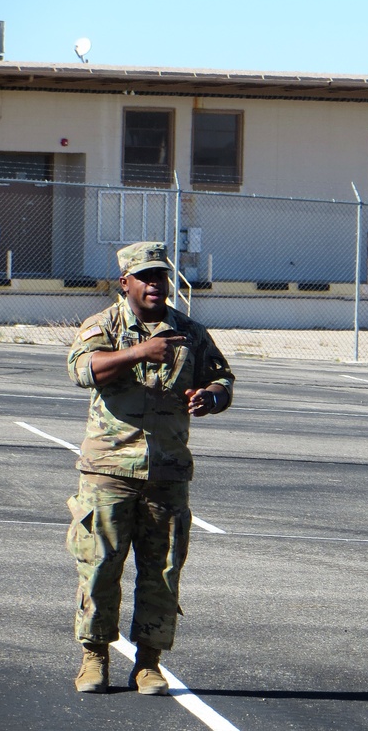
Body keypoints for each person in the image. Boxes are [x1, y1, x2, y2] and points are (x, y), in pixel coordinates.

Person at [66, 241, 235, 695]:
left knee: (161, 571)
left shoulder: (190, 333)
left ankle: (148, 664)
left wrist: (212, 397)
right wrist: (139, 353)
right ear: (125, 283)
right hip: (109, 470)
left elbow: (222, 377)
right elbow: (84, 371)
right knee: (100, 566)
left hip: (167, 473)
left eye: (161, 276)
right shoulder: (102, 325)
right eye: (145, 277)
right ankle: (94, 658)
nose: (155, 284)